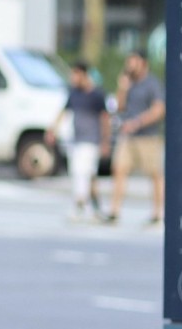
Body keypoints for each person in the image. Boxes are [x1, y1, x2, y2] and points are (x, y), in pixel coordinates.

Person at [103, 49, 165, 225]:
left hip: (148, 136)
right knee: (119, 169)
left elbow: (159, 109)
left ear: (143, 63)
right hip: (128, 136)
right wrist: (122, 88)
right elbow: (120, 107)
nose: (129, 64)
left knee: (155, 174)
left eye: (133, 61)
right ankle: (114, 211)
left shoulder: (152, 83)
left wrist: (138, 122)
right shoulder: (129, 83)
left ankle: (158, 213)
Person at [44, 61, 111, 221]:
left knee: (81, 173)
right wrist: (53, 129)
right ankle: (96, 208)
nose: (72, 78)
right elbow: (64, 112)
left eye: (75, 74)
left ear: (83, 74)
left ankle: (79, 206)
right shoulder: (74, 94)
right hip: (77, 139)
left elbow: (104, 119)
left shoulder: (96, 95)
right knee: (90, 176)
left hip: (91, 140)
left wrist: (105, 141)